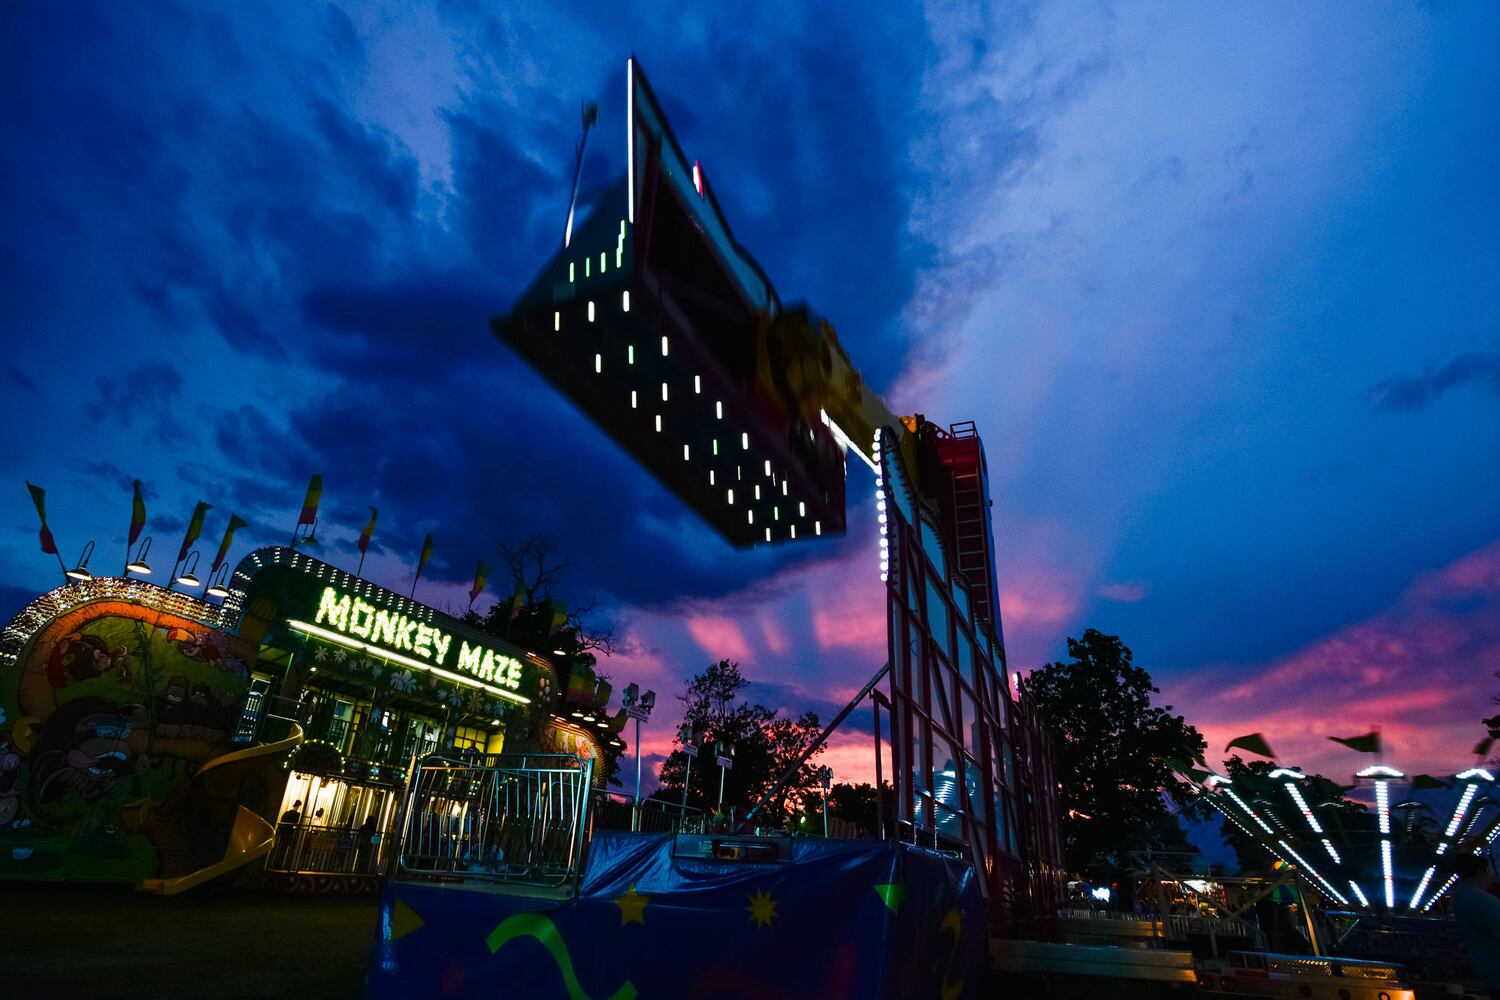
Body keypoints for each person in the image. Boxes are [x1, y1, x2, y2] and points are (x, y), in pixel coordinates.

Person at [1452, 853, 1500, 993]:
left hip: (1484, 967)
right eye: (1490, 872)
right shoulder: (1484, 900)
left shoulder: (1459, 896)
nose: (1491, 877)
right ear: (1480, 872)